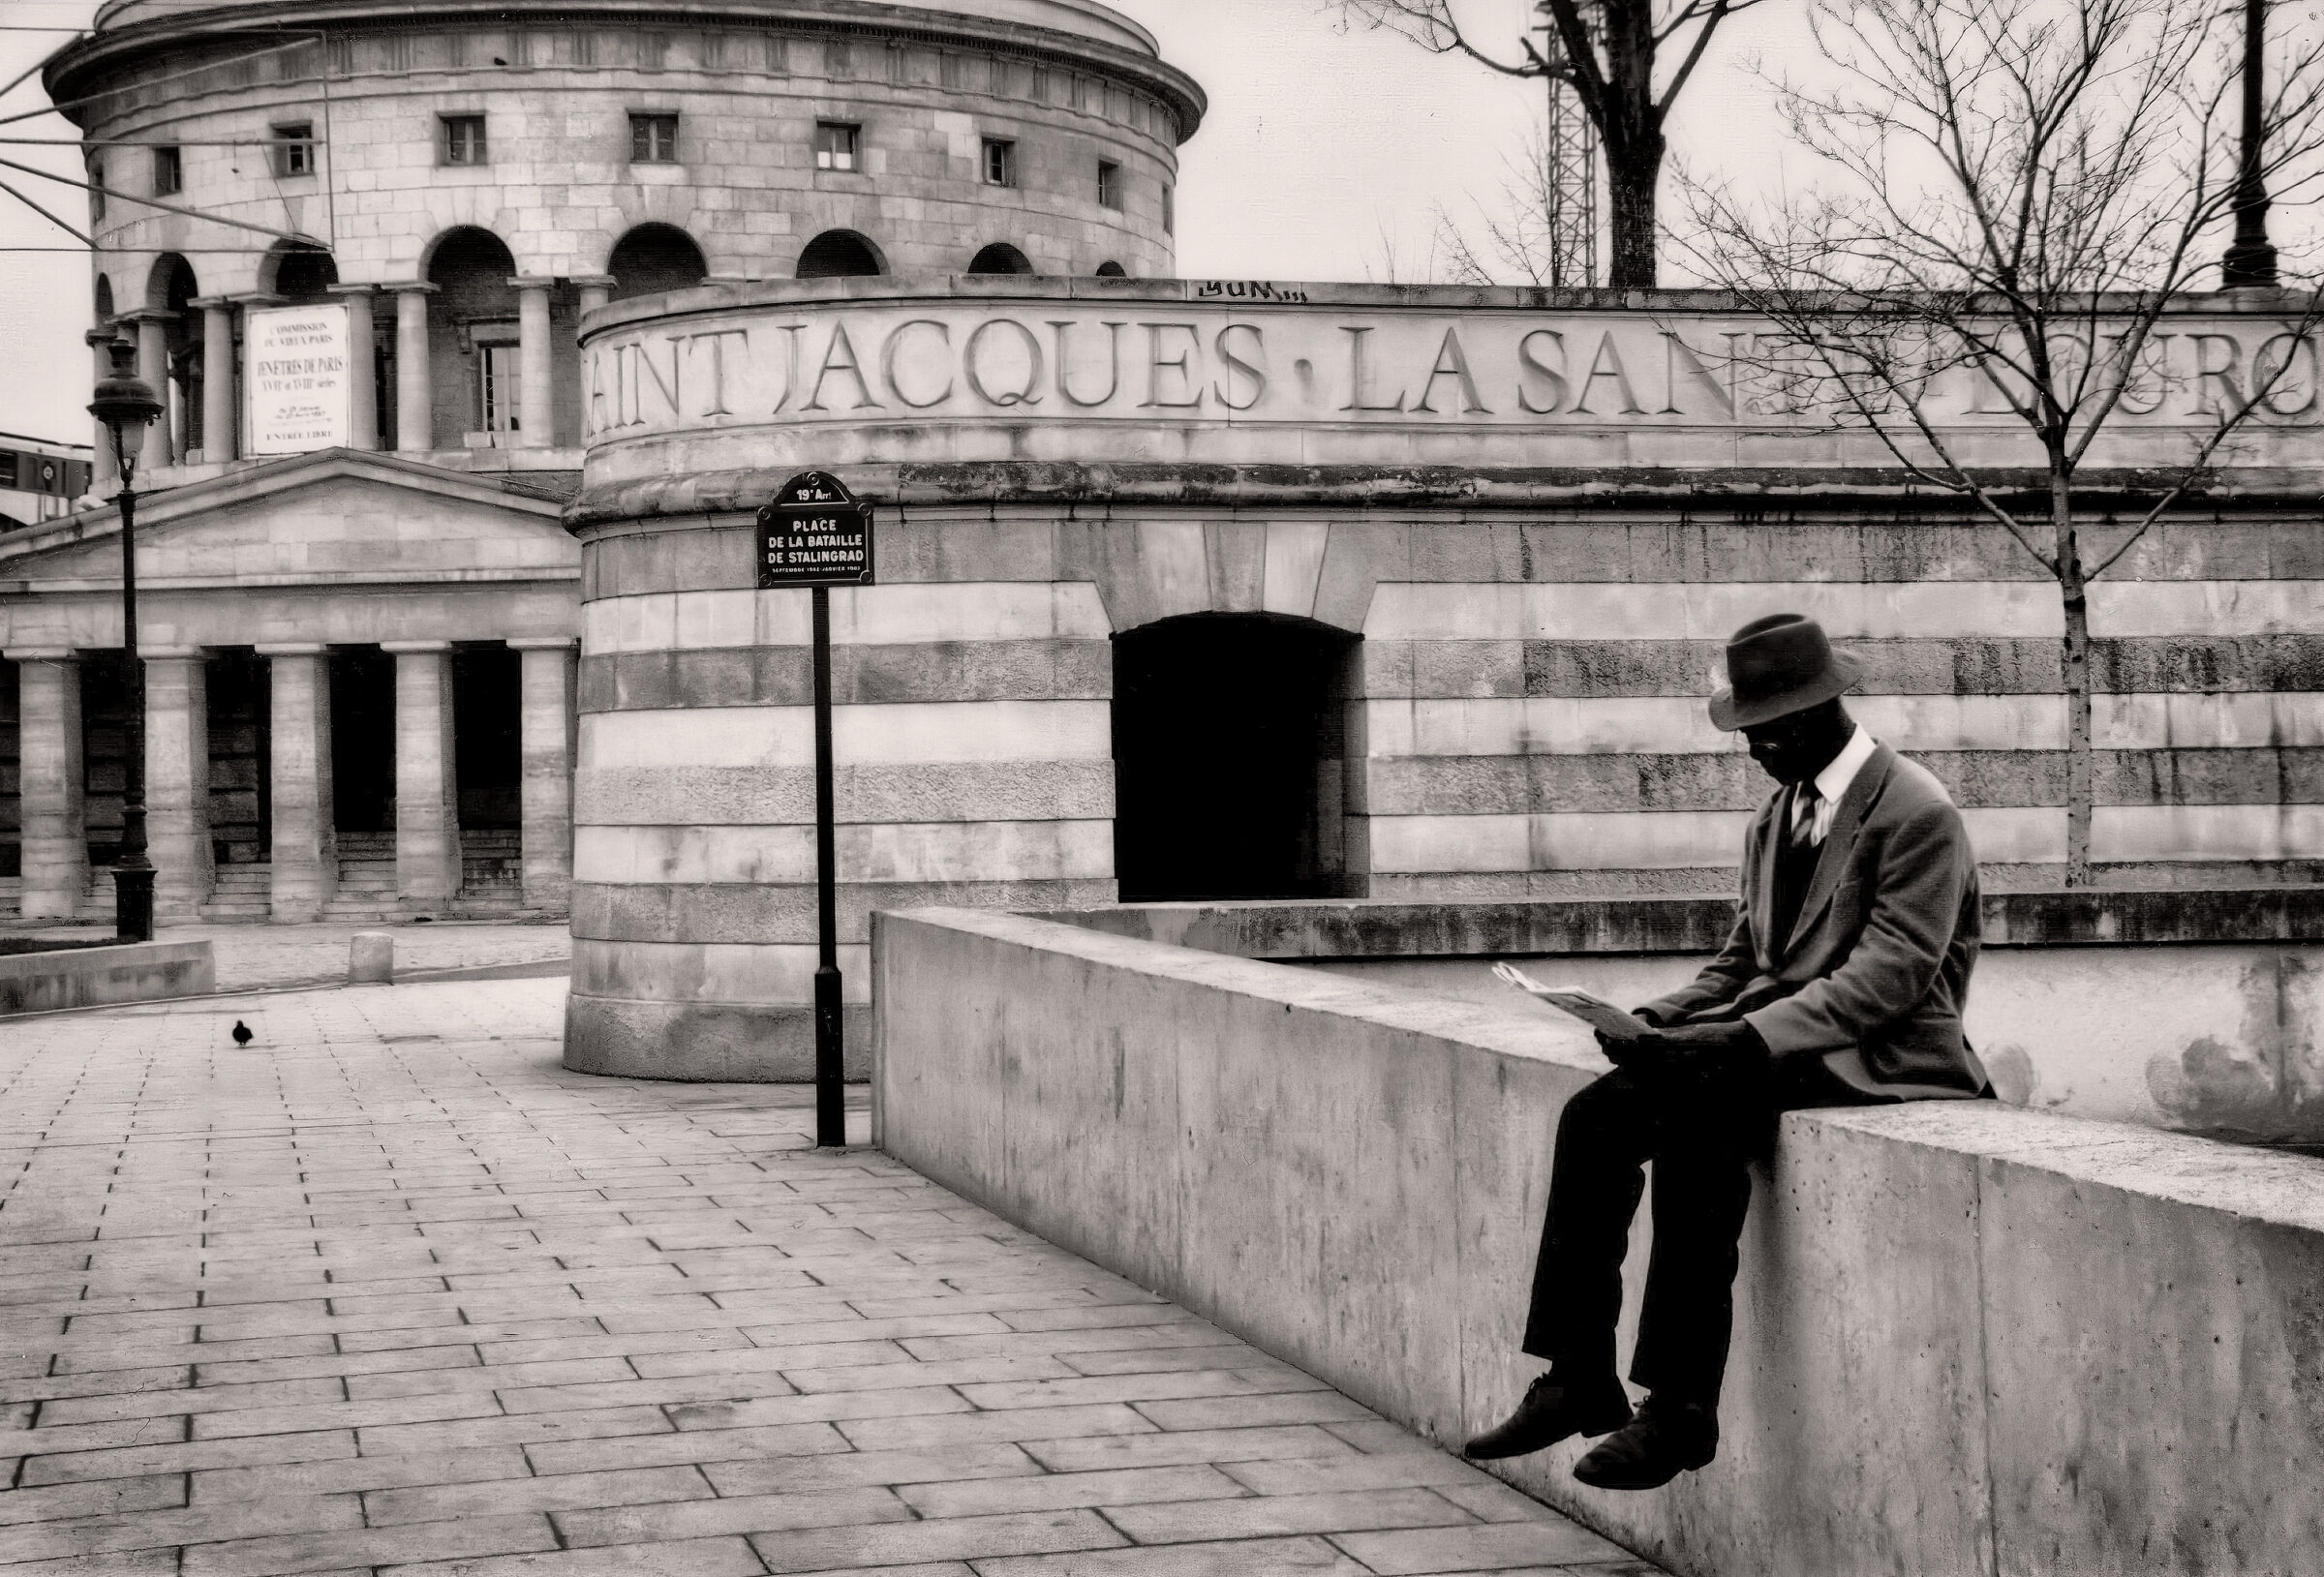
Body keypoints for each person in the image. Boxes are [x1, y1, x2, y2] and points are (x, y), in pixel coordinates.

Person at [1464, 612, 1989, 1491]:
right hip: (1775, 1041)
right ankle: (1577, 1372)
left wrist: (1735, 1039)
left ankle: (1680, 1408)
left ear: (1824, 711)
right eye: (1746, 730)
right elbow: (1745, 957)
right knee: (1596, 1114)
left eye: (1769, 729)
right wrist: (1653, 1019)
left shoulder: (1918, 812)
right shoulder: (1775, 815)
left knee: (1701, 1110)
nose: (1753, 748)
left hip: (1882, 1054)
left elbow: (1890, 980)